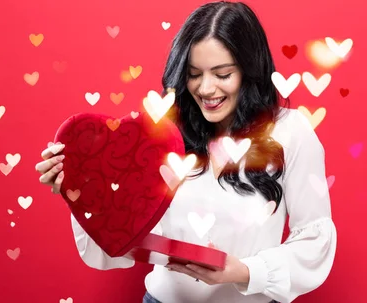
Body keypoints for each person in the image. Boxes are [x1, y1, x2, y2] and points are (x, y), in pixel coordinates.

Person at [35, 1, 337, 302]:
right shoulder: (162, 134)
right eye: (194, 74)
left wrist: (244, 271)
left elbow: (314, 238)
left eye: (222, 74)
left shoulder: (291, 132)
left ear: (250, 70)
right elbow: (113, 246)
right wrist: (81, 187)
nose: (206, 89)